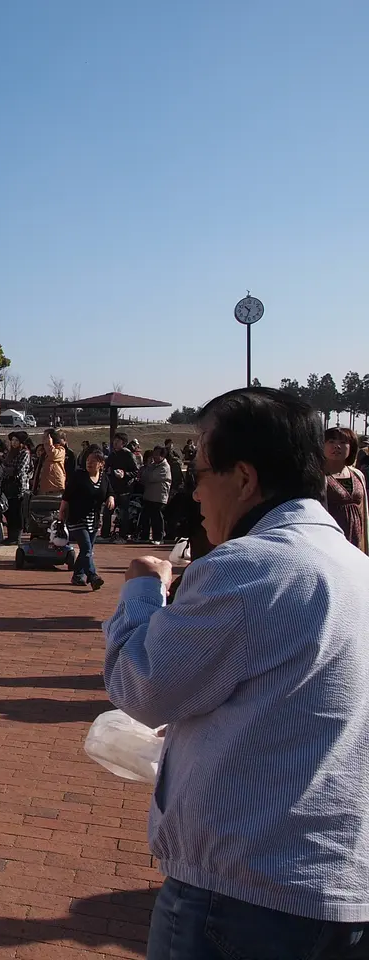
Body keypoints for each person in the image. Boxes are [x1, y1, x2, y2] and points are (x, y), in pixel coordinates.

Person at [103, 387, 369, 959]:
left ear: (243, 479)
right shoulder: (354, 566)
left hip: (243, 890)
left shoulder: (249, 567)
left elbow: (141, 685)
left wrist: (144, 590)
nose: (193, 491)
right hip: (340, 887)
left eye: (199, 471)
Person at [59, 444, 112, 590]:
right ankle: (93, 576)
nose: (89, 463)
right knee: (87, 549)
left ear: (101, 464)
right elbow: (67, 496)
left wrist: (111, 498)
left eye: (93, 461)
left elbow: (109, 492)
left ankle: (78, 575)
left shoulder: (104, 478)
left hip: (94, 520)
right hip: (77, 518)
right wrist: (61, 512)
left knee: (86, 551)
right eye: (88, 460)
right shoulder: (79, 476)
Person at [321, 426, 367, 552]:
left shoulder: (358, 475)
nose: (337, 446)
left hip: (356, 539)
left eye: (343, 442)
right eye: (331, 441)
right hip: (328, 539)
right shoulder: (317, 477)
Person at [103, 432, 140, 542]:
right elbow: (106, 468)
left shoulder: (128, 455)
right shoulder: (112, 454)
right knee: (107, 511)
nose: (115, 443)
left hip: (125, 489)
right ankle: (105, 535)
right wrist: (107, 471)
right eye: (114, 441)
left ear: (123, 443)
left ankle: (123, 535)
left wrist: (125, 474)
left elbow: (136, 471)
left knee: (124, 513)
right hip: (113, 489)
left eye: (118, 441)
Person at [1, 431, 32, 545]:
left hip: (19, 487)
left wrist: (7, 469)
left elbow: (19, 469)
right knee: (9, 512)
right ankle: (10, 536)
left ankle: (17, 537)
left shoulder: (25, 453)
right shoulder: (10, 453)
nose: (13, 443)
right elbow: (3, 465)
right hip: (8, 486)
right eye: (12, 440)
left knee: (17, 512)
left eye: (16, 441)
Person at [138, 446, 172, 544]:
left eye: (157, 454)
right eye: (154, 454)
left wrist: (147, 472)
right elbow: (143, 476)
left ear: (162, 456)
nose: (155, 456)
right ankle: (144, 536)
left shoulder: (165, 467)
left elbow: (151, 477)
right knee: (145, 516)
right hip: (149, 495)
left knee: (157, 517)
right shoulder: (152, 466)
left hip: (159, 496)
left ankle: (158, 538)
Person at [34, 429, 67, 496]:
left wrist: (49, 444)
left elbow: (53, 454)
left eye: (45, 437)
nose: (43, 439)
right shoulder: (44, 453)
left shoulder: (60, 450)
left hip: (55, 488)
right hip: (43, 489)